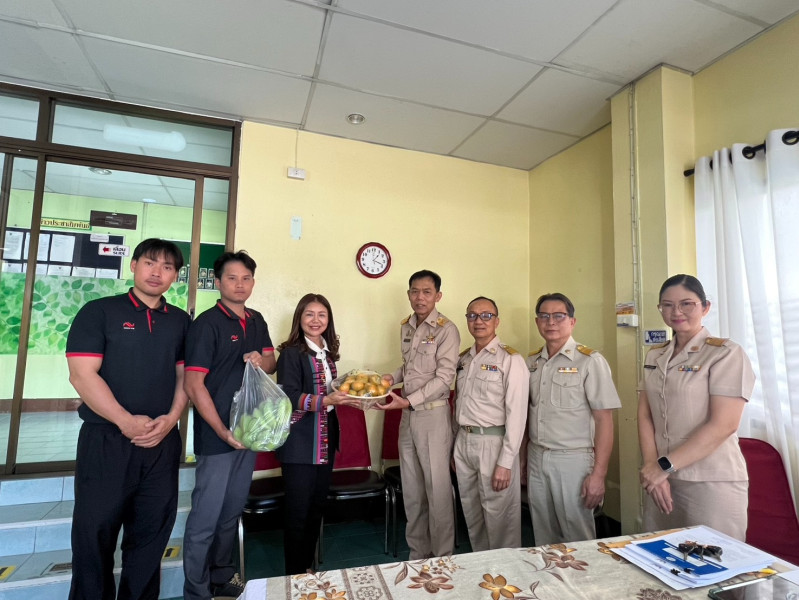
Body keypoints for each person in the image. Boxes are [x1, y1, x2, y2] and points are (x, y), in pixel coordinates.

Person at [65, 238, 189, 600]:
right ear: (133, 265)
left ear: (175, 276)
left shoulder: (180, 321)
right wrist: (125, 421)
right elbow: (82, 375)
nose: (157, 272)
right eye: (150, 263)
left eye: (167, 267)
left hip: (162, 443)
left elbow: (185, 377)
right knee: (94, 534)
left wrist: (172, 419)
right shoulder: (99, 312)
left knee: (151, 537)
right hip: (107, 440)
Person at [182, 250, 276, 600]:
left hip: (249, 433)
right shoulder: (206, 325)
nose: (240, 284)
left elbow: (271, 362)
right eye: (232, 278)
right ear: (218, 282)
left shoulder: (256, 319)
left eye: (246, 278)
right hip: (217, 437)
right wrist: (223, 431)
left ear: (253, 282)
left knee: (231, 511)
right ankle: (196, 590)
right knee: (205, 517)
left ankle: (222, 576)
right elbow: (193, 385)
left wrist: (261, 359)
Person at [638, 274, 754, 540]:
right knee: (660, 557)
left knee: (715, 558)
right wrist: (652, 467)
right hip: (662, 480)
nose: (676, 312)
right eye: (667, 305)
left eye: (686, 304)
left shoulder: (725, 353)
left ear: (705, 307)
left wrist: (663, 466)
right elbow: (645, 415)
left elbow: (724, 424)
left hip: (710, 480)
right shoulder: (655, 355)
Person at [376, 269, 460, 559]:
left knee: (437, 492)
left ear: (438, 296)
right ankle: (418, 555)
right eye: (414, 291)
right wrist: (392, 377)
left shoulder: (446, 330)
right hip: (408, 417)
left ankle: (442, 557)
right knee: (412, 492)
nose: (419, 297)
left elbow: (444, 378)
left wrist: (407, 400)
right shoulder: (407, 326)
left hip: (432, 417)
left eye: (426, 292)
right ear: (408, 294)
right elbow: (410, 366)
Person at [524, 292, 621, 545]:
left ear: (572, 321)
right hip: (537, 457)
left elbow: (604, 421)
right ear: (537, 322)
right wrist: (523, 462)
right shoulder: (532, 362)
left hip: (573, 460)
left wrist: (598, 475)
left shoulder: (590, 361)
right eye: (544, 316)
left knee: (577, 536)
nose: (551, 322)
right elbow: (527, 414)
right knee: (543, 534)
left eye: (559, 316)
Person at [275, 293, 359, 574]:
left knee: (315, 508)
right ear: (299, 318)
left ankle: (307, 568)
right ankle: (294, 574)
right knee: (297, 513)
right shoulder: (291, 353)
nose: (315, 320)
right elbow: (288, 395)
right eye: (309, 314)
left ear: (328, 320)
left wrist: (351, 395)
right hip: (300, 443)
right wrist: (327, 400)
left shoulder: (327, 352)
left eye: (322, 315)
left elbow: (331, 390)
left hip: (325, 440)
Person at [452, 296, 528, 551]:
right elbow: (458, 404)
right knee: (472, 514)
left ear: (497, 321)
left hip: (494, 444)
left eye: (486, 315)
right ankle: (483, 567)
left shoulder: (510, 359)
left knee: (500, 518)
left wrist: (506, 462)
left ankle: (506, 571)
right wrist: (454, 448)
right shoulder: (464, 359)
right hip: (464, 441)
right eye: (472, 315)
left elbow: (517, 414)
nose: (479, 321)